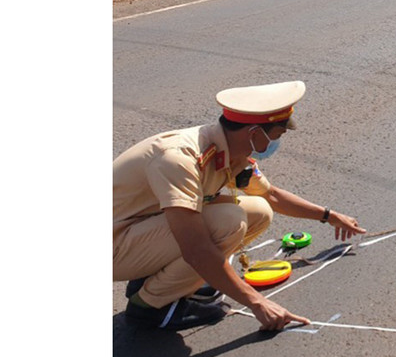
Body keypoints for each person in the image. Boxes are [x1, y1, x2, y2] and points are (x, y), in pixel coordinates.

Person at [113, 80, 367, 331]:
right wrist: (257, 303)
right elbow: (196, 248)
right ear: (254, 133)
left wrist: (329, 216)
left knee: (257, 211)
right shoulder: (179, 158)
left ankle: (166, 282)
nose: (277, 143)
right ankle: (148, 307)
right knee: (228, 221)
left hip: (137, 232)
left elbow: (272, 197)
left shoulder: (230, 153)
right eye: (276, 136)